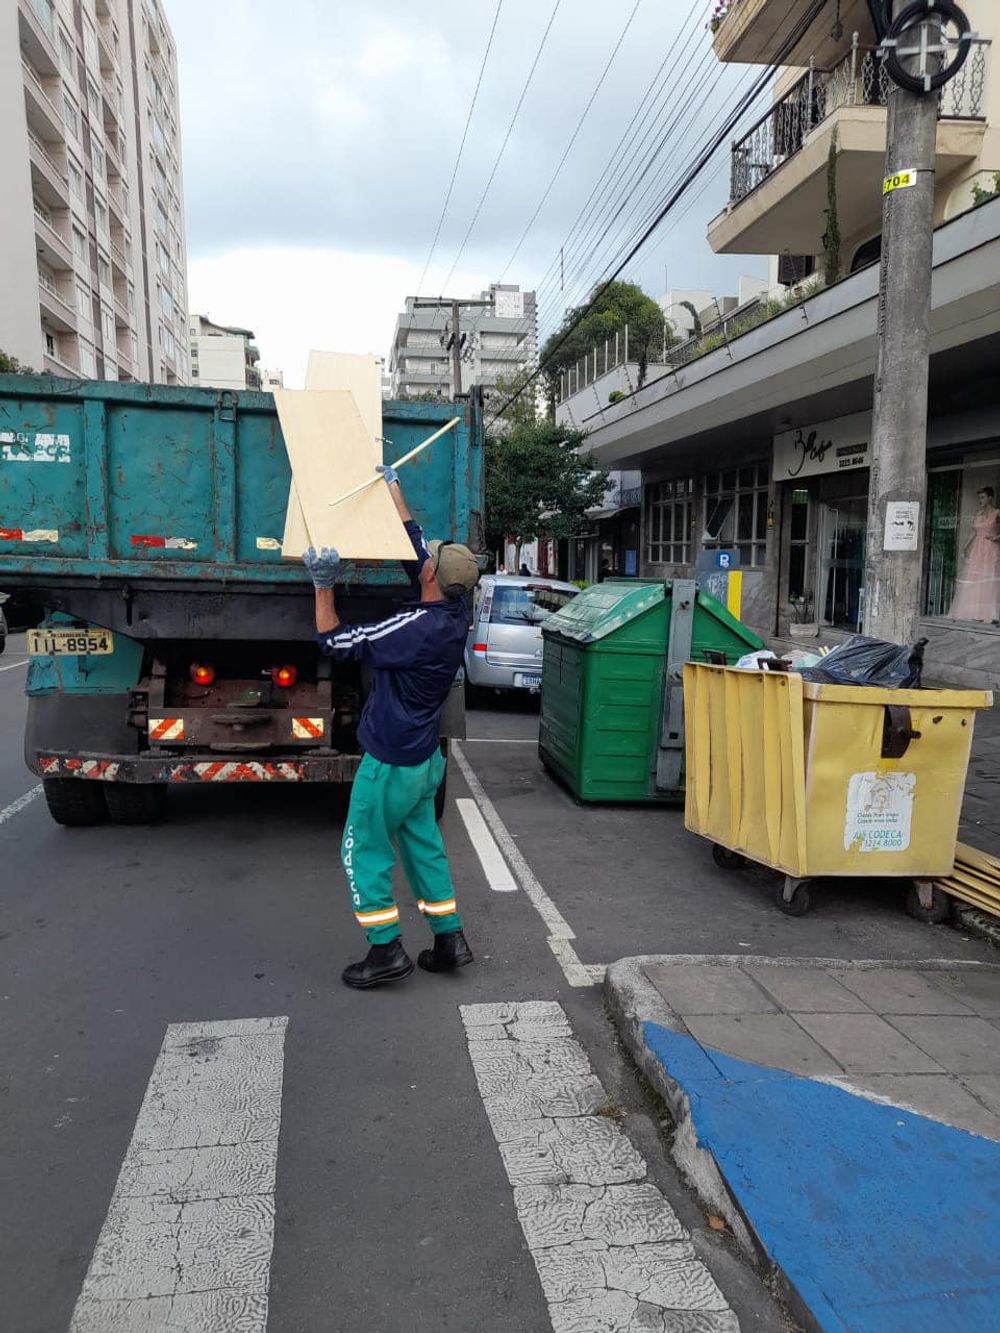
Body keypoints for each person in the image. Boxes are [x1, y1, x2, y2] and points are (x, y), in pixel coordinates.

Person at [302, 465, 480, 989]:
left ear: (431, 579)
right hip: (423, 762)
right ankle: (449, 939)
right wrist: (394, 489)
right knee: (423, 846)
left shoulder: (416, 629)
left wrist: (323, 586)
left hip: (390, 764)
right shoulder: (455, 609)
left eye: (430, 563)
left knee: (363, 850)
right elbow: (417, 548)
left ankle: (385, 950)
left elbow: (335, 643)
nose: (425, 560)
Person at [947, 486, 1000, 622]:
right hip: (977, 549)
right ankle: (975, 612)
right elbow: (973, 532)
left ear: (990, 498)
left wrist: (997, 537)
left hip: (990, 548)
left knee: (989, 578)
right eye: (979, 498)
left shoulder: (997, 513)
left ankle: (990, 613)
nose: (980, 500)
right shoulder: (978, 514)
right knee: (975, 579)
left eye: (983, 497)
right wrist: (965, 547)